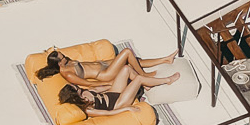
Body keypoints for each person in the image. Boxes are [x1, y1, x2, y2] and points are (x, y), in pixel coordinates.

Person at [36, 46, 178, 88]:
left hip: (103, 64)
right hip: (104, 74)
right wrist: (109, 83)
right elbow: (86, 83)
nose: (65, 57)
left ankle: (165, 60)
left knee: (133, 60)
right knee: (127, 52)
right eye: (63, 58)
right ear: (59, 64)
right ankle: (144, 77)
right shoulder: (67, 74)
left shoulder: (66, 62)